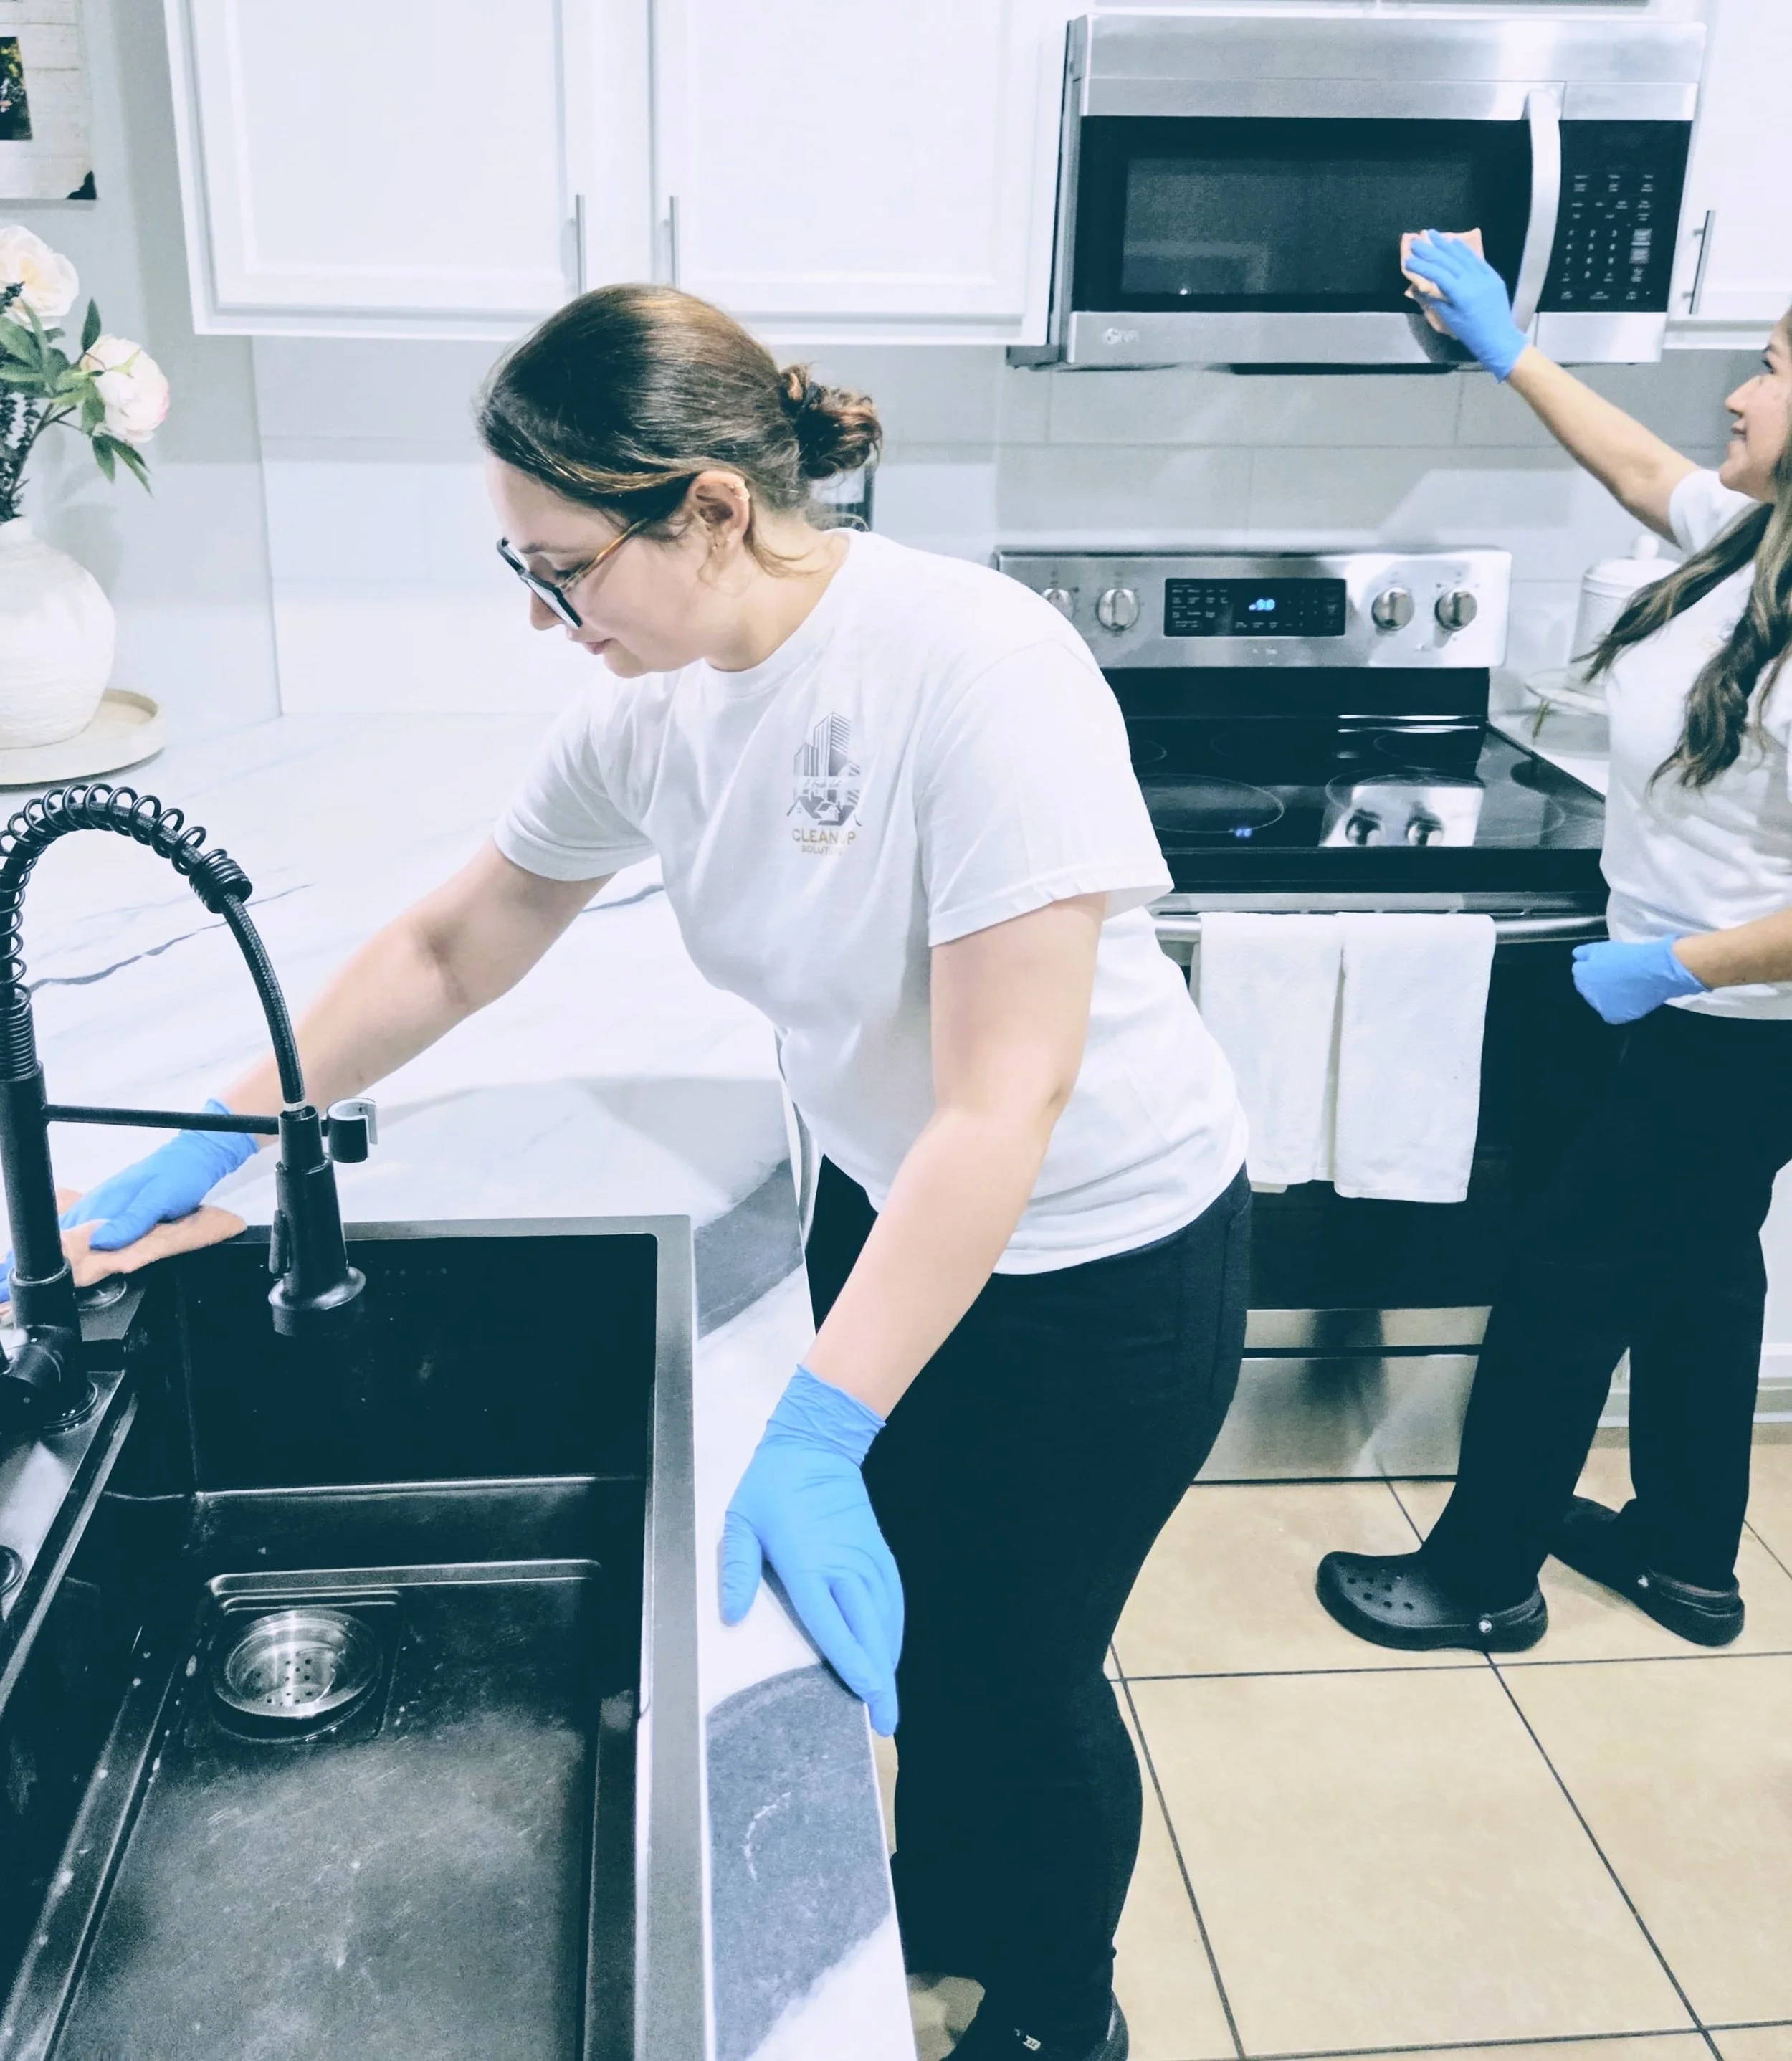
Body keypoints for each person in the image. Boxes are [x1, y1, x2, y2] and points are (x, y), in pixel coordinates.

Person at [23, 286, 1251, 2061]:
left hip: (1095, 1263)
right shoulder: (662, 705)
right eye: (517, 572)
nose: (543, 616)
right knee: (925, 1650)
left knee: (1017, 1678)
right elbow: (460, 941)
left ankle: (1058, 2014)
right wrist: (243, 1113)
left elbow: (1007, 1103)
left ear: (710, 509)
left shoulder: (973, 669)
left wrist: (822, 1425)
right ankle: (951, 1937)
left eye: (564, 568)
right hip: (885, 1202)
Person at [1319, 234, 1792, 1655]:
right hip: (1702, 1016)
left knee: (1561, 1285)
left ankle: (1481, 1577)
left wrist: (1670, 969)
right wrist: (1509, 345)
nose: (1736, 394)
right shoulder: (1756, 535)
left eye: (1769, 372)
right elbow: (1644, 474)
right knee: (1704, 1269)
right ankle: (1686, 1553)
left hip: (1714, 1027)